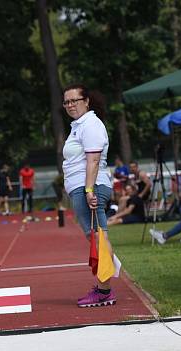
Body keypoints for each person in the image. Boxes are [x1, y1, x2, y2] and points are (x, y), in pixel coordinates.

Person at [61, 83, 116, 307]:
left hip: (91, 187)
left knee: (98, 237)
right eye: (67, 101)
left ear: (86, 101)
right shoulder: (79, 126)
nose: (70, 105)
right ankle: (104, 287)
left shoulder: (90, 124)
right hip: (84, 188)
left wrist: (89, 190)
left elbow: (93, 160)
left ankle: (104, 292)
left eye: (75, 100)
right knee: (96, 236)